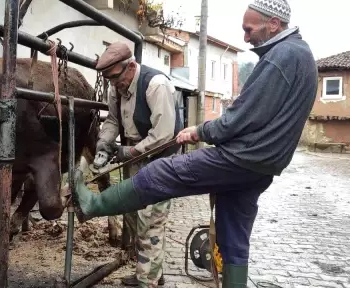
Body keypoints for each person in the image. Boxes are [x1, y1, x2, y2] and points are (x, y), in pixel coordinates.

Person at [71, 0, 317, 287]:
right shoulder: (301, 55)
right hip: (263, 166)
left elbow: (241, 118)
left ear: (273, 24)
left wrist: (200, 130)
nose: (246, 37)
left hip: (242, 157)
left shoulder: (282, 56)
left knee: (159, 172)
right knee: (232, 235)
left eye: (249, 29)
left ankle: (92, 203)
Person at [93, 41, 184, 287]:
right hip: (132, 158)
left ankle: (148, 282)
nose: (114, 85)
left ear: (130, 67)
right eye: (109, 80)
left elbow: (164, 134)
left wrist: (131, 151)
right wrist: (103, 144)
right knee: (133, 216)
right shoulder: (116, 88)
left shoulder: (156, 85)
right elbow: (112, 120)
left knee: (150, 220)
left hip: (160, 159)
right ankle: (151, 272)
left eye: (116, 78)